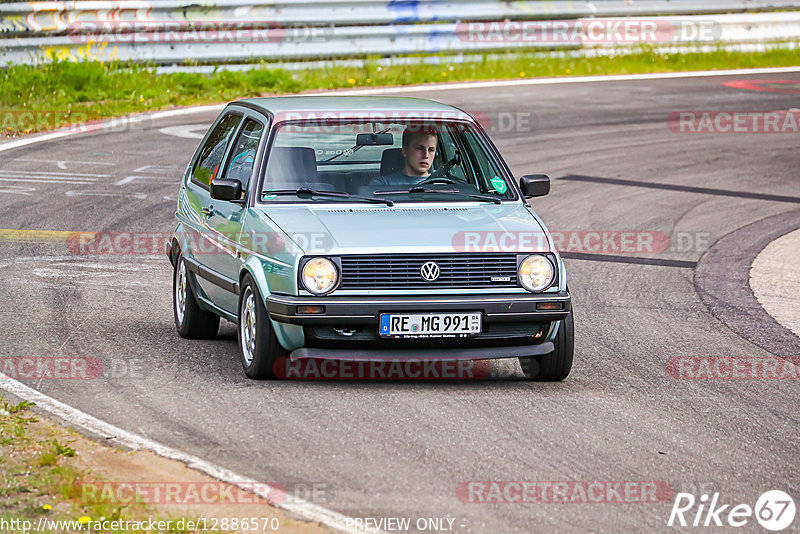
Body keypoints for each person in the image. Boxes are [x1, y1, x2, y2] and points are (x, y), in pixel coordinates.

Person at [370, 127, 438, 186]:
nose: (426, 155)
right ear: (405, 151)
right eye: (419, 148)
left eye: (431, 150)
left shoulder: (442, 184)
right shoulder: (381, 185)